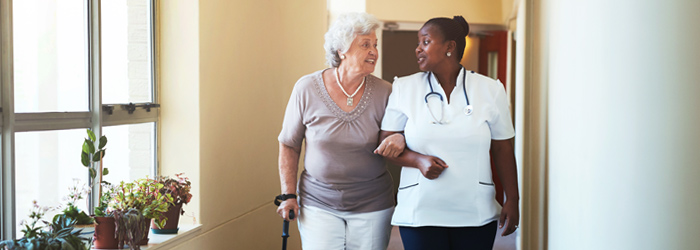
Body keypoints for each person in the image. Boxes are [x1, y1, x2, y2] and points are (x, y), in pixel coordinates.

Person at [378, 16, 520, 250]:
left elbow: (502, 147)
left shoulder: (490, 89)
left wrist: (512, 199)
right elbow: (384, 144)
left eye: (425, 42)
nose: (418, 49)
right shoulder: (404, 88)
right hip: (420, 211)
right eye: (418, 42)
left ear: (449, 47)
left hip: (475, 211)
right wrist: (418, 160)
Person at [276, 12, 404, 250]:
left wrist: (399, 136)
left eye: (375, 44)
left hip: (373, 203)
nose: (374, 51)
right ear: (341, 50)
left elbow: (402, 134)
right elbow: (289, 144)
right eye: (365, 45)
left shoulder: (386, 92)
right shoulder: (307, 88)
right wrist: (288, 194)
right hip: (318, 202)